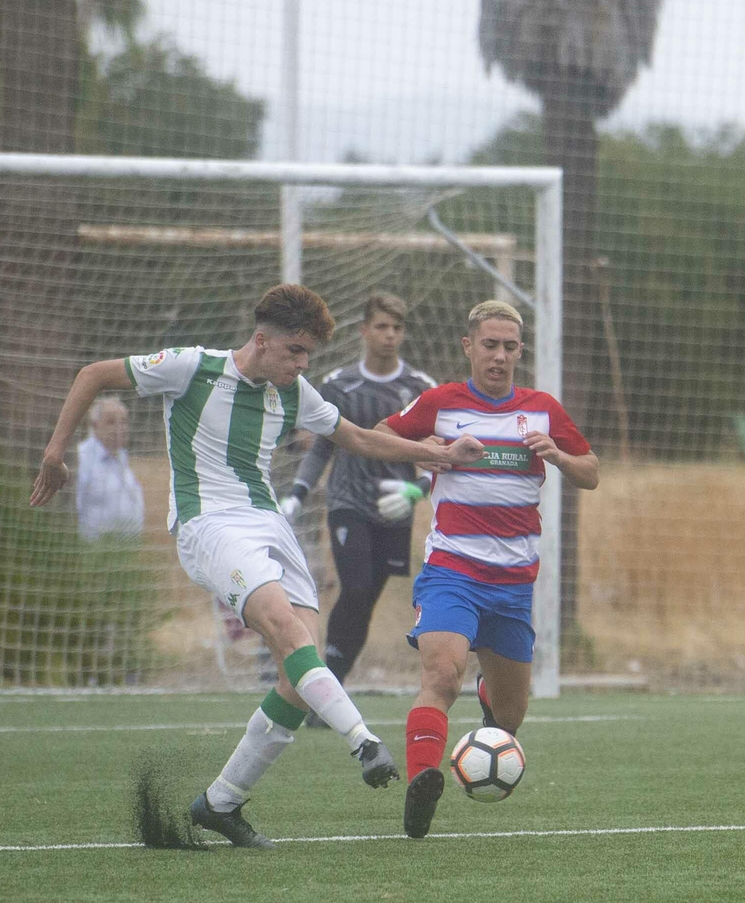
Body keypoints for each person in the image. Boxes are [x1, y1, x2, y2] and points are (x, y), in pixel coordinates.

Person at [29, 284, 486, 849]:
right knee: (285, 627)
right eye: (295, 351)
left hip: (267, 524)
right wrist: (55, 449)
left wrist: (441, 455)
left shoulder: (293, 391)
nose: (301, 364)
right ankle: (363, 741)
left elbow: (361, 439)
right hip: (208, 524)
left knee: (301, 671)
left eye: (308, 355)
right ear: (262, 340)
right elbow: (92, 375)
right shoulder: (192, 368)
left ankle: (220, 802)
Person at [376, 299, 599, 839]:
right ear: (468, 346)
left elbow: (591, 472)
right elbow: (379, 433)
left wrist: (561, 457)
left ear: (520, 350)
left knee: (510, 718)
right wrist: (421, 448)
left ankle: (489, 698)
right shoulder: (441, 402)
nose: (499, 356)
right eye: (489, 345)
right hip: (453, 570)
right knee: (441, 674)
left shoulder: (543, 409)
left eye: (509, 346)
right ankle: (421, 783)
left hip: (513, 587)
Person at [281, 292, 439, 705]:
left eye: (397, 328)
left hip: (396, 509)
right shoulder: (339, 384)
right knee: (355, 586)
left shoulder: (420, 388)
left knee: (365, 599)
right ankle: (325, 691)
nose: (389, 335)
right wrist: (298, 494)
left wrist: (417, 491)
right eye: (382, 326)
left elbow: (438, 451)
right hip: (348, 502)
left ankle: (332, 682)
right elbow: (320, 448)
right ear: (364, 330)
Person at [74, 395, 145, 542]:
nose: (120, 428)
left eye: (124, 422)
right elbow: (76, 506)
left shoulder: (121, 457)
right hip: (94, 551)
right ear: (94, 425)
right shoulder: (82, 458)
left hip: (125, 550)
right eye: (111, 422)